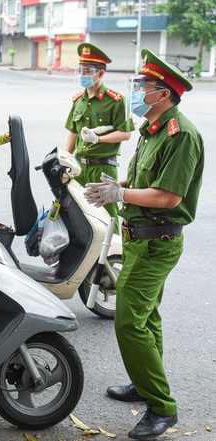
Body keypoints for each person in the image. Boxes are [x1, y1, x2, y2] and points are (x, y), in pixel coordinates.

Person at [84, 49, 204, 440]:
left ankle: (162, 407)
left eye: (142, 86)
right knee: (147, 317)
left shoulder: (180, 135)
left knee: (129, 322)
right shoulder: (151, 130)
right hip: (139, 240)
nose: (136, 90)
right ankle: (144, 381)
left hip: (158, 243)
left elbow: (169, 198)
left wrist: (120, 193)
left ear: (163, 94)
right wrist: (114, 189)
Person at [65, 43, 135, 234]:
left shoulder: (116, 100)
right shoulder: (78, 100)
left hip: (103, 167)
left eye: (87, 70)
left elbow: (126, 133)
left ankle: (112, 258)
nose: (82, 74)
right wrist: (66, 159)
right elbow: (73, 131)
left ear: (101, 73)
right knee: (78, 212)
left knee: (107, 214)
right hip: (79, 166)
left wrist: (98, 140)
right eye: (80, 69)